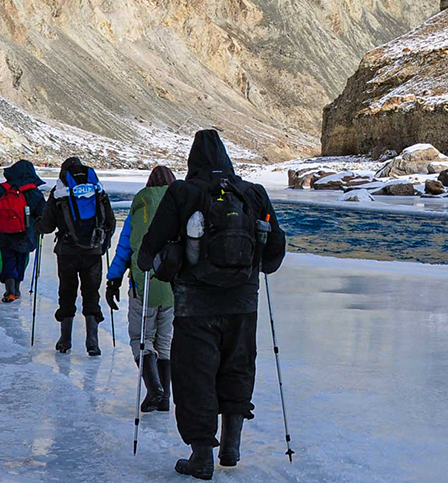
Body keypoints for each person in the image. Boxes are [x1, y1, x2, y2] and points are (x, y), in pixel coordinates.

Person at [136, 130, 286, 479]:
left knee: (195, 377)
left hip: (194, 303)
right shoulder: (253, 193)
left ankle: (202, 454)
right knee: (237, 367)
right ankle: (232, 446)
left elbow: (149, 248)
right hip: (243, 302)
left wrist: (152, 263)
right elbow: (274, 255)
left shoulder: (182, 192)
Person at [107, 165, 177, 411]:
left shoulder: (140, 203)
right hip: (174, 285)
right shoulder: (181, 202)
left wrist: (113, 279)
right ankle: (165, 397)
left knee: (142, 338)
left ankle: (154, 389)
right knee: (165, 341)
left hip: (144, 282)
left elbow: (125, 246)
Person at [37, 157, 116, 355]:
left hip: (67, 252)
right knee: (91, 293)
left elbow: (47, 226)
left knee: (67, 292)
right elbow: (111, 222)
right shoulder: (97, 191)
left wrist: (37, 224)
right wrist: (103, 242)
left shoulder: (59, 193)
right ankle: (92, 341)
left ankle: (65, 340)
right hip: (93, 251)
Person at [0, 159, 46, 302]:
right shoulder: (34, 192)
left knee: (6, 259)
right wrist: (42, 229)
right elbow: (43, 214)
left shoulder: (1, 189)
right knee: (21, 259)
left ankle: (9, 290)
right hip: (25, 234)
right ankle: (17, 287)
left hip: (1, 232)